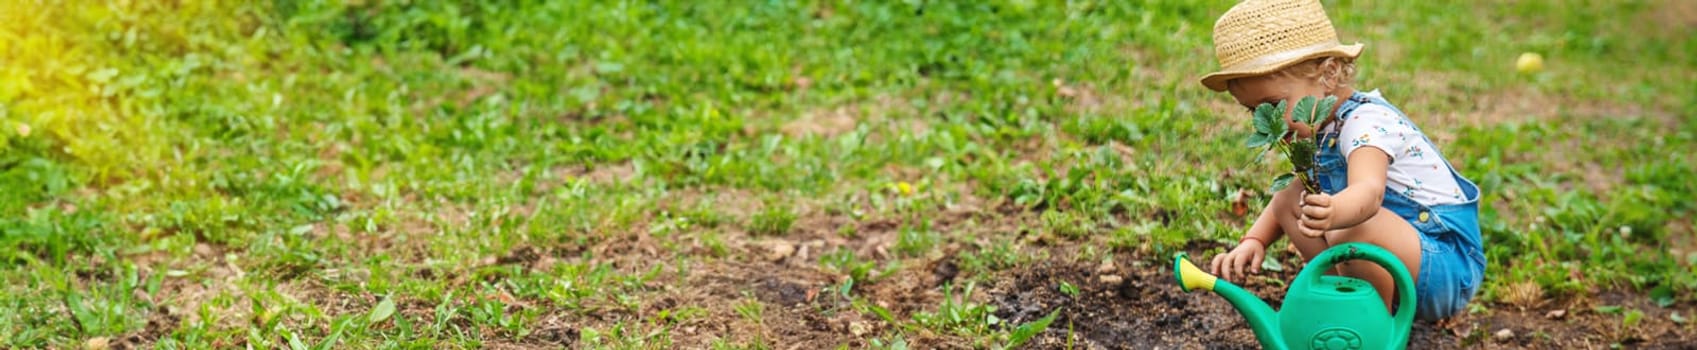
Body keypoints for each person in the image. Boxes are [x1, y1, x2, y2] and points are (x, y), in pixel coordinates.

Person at [1198, 0, 1484, 321]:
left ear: (1329, 75)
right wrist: (1255, 240)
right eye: (1254, 110)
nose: (1269, 121)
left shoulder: (1366, 124)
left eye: (1275, 104)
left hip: (1445, 267)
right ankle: (1345, 302)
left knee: (1351, 228)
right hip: (1404, 259)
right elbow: (1288, 200)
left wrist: (1335, 212)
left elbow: (1369, 192)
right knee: (1291, 198)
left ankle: (1370, 323)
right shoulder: (1318, 126)